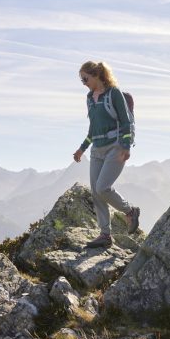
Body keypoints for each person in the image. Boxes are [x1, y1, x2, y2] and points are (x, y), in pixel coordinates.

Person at [73, 60, 140, 248]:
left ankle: (129, 211)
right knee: (95, 192)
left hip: (115, 147)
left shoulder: (114, 93)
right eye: (81, 80)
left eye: (85, 78)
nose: (83, 83)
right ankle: (105, 235)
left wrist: (125, 146)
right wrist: (82, 148)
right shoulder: (89, 98)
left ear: (96, 75)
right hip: (97, 149)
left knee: (103, 187)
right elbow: (93, 128)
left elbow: (125, 122)